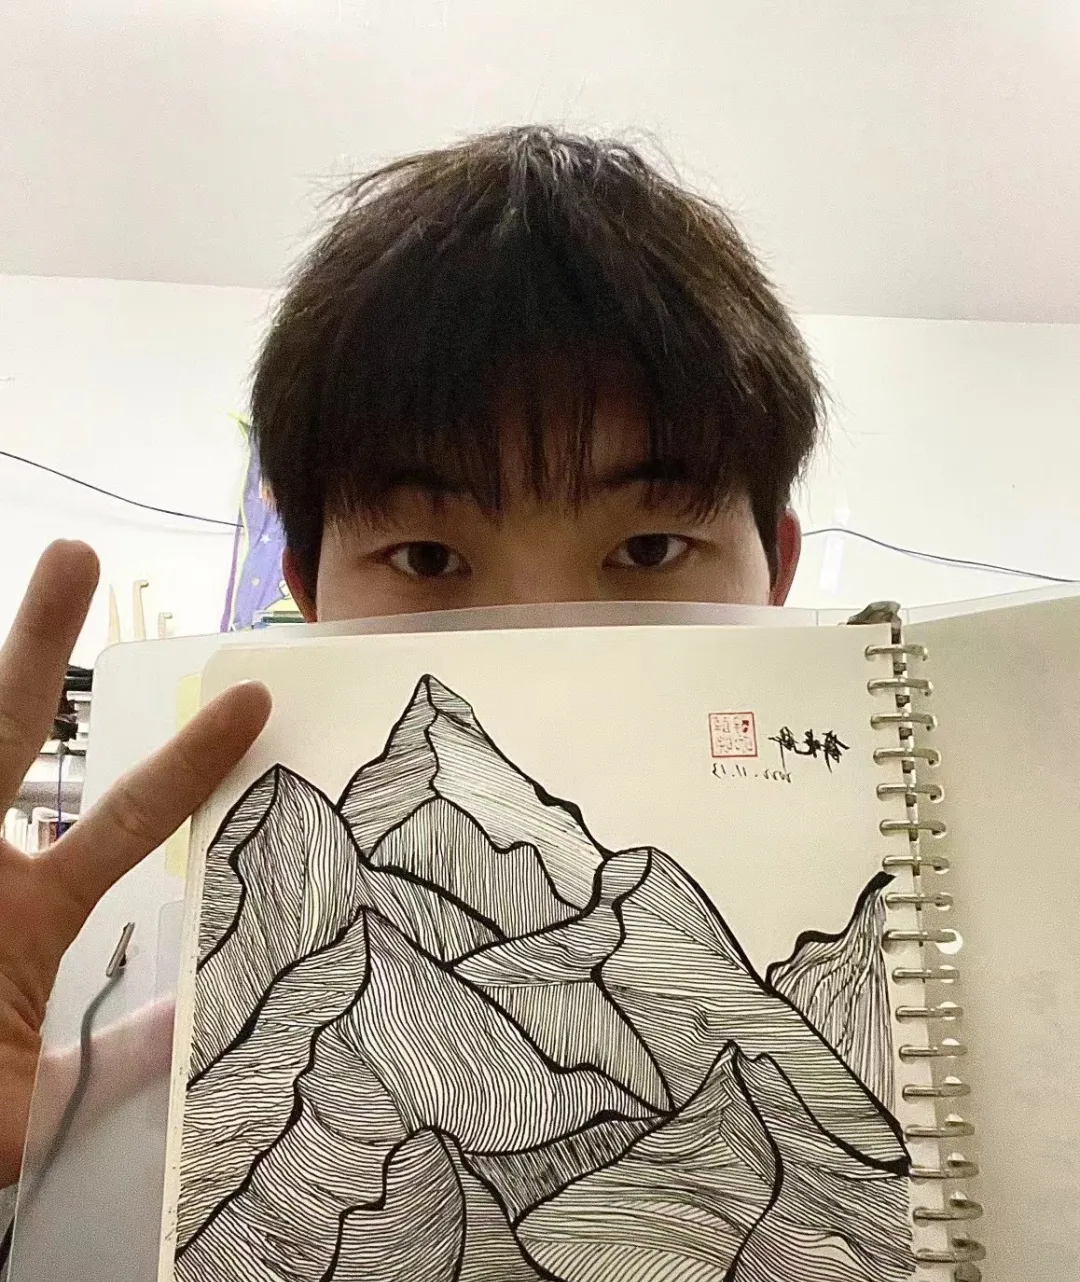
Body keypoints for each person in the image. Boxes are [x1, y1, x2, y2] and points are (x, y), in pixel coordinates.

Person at [0, 125, 822, 1192]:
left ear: (776, 573)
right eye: (428, 558)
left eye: (650, 549)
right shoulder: (165, 1027)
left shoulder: (933, 945)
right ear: (309, 596)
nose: (538, 648)